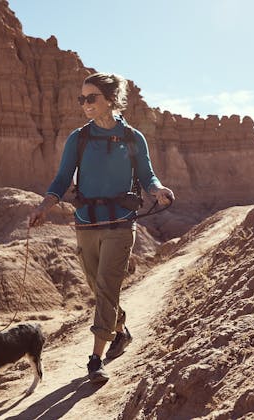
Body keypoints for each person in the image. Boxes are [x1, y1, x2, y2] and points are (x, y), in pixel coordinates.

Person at [28, 72, 174, 383]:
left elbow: (148, 175)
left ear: (110, 100)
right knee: (98, 289)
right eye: (81, 99)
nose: (84, 104)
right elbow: (62, 178)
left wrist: (158, 190)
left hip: (121, 224)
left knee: (107, 287)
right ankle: (120, 331)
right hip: (85, 224)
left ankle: (95, 359)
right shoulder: (78, 138)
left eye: (91, 98)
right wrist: (44, 206)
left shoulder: (134, 138)